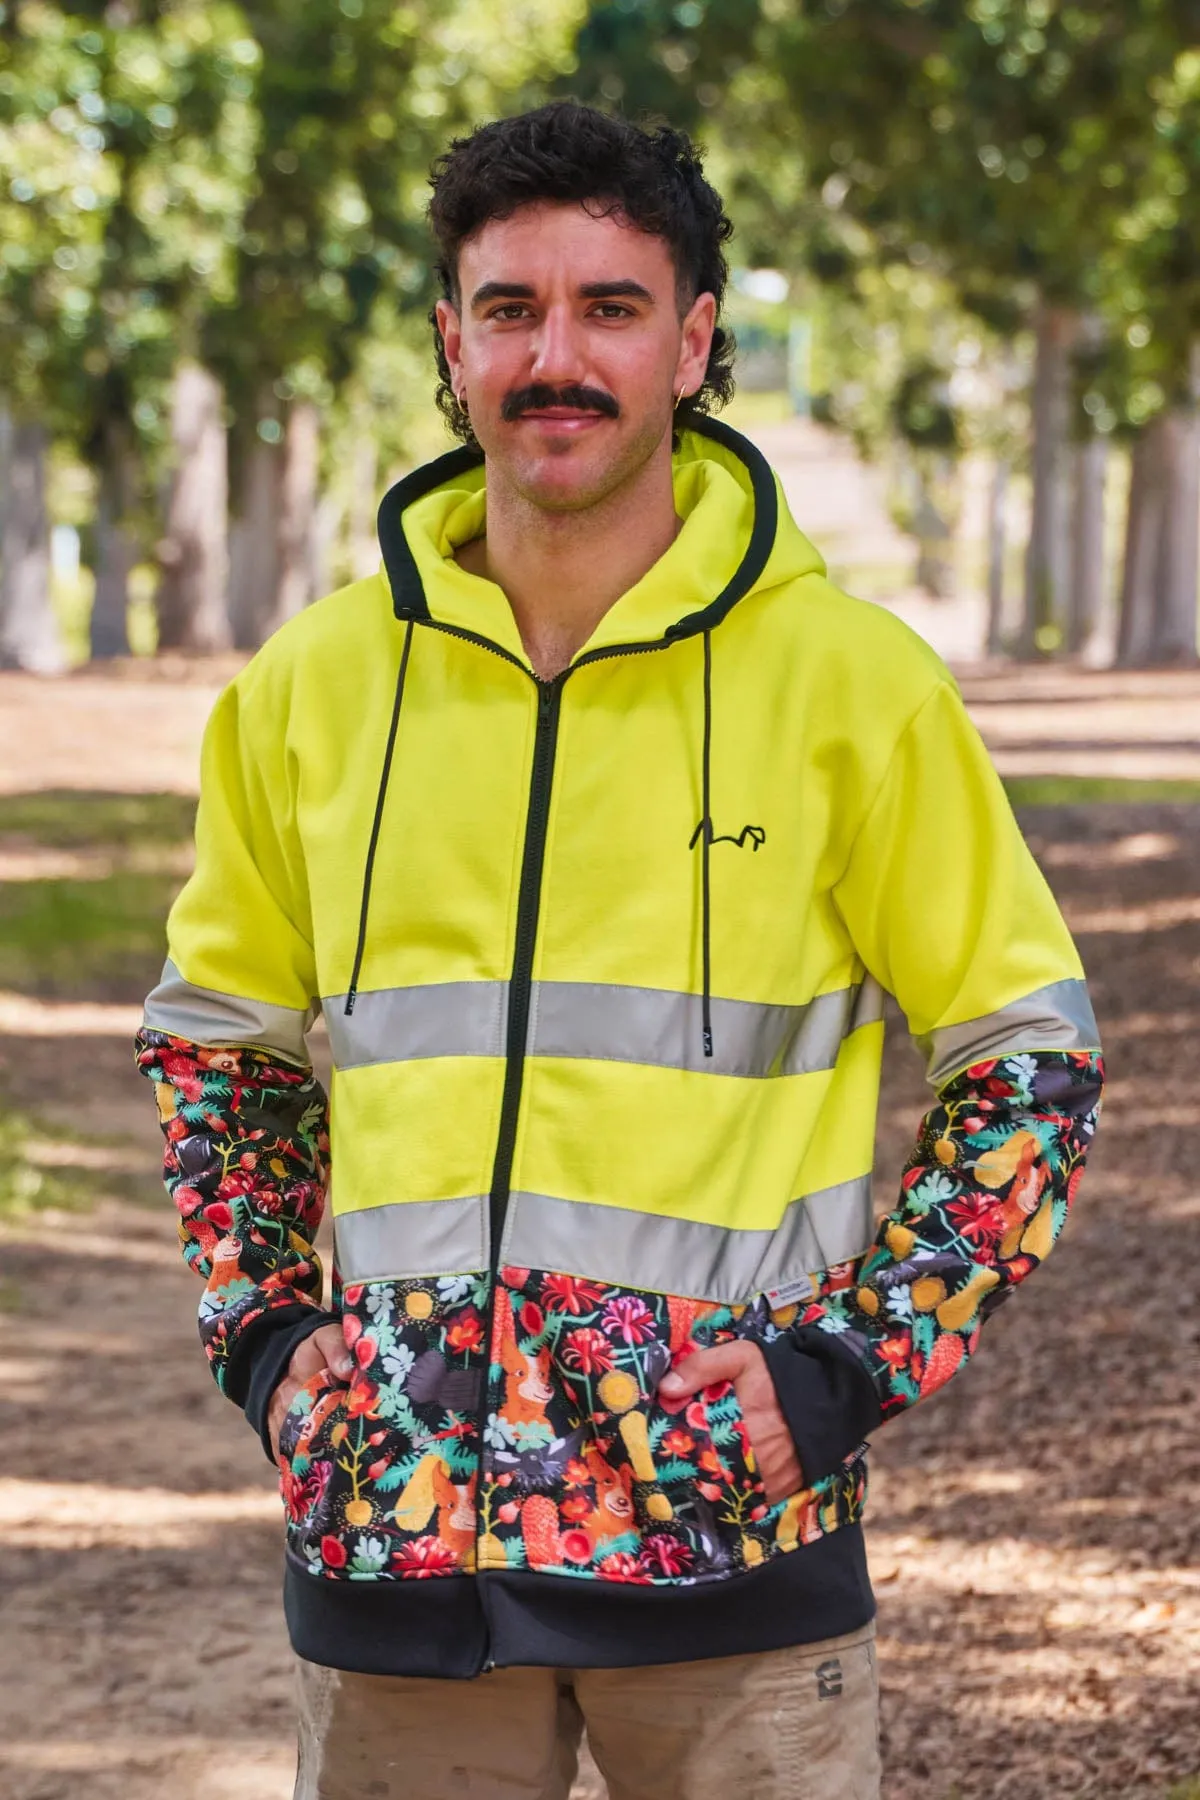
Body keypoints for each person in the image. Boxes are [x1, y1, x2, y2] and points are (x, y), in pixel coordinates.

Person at [136, 101, 1104, 1800]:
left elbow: (1028, 1053)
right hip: (398, 1559)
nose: (554, 357)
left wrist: (853, 1364)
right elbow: (219, 1049)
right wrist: (274, 1348)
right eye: (510, 309)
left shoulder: (852, 686)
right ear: (452, 343)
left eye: (610, 307)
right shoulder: (305, 691)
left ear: (695, 339)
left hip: (728, 1556)